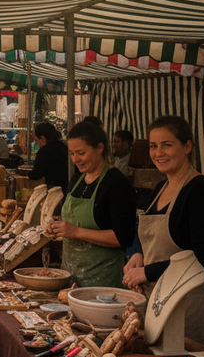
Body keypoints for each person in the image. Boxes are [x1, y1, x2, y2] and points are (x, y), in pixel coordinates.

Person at [123, 116, 204, 344]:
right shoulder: (161, 187)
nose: (159, 152)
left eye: (167, 145)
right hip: (156, 300)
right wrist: (137, 254)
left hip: (186, 306)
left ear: (187, 147)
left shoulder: (199, 190)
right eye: (153, 146)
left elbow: (201, 257)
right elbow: (143, 234)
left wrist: (147, 272)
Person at [46, 121, 136, 288]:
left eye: (81, 153)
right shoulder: (76, 180)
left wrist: (76, 231)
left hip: (103, 282)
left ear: (99, 148)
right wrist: (57, 223)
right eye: (72, 153)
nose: (75, 159)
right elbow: (69, 218)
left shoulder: (116, 183)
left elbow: (123, 237)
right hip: (71, 276)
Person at [28, 122, 69, 190]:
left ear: (42, 138)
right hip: (68, 187)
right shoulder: (63, 147)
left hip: (54, 190)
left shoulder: (44, 151)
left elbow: (36, 175)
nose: (37, 143)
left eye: (36, 140)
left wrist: (27, 174)